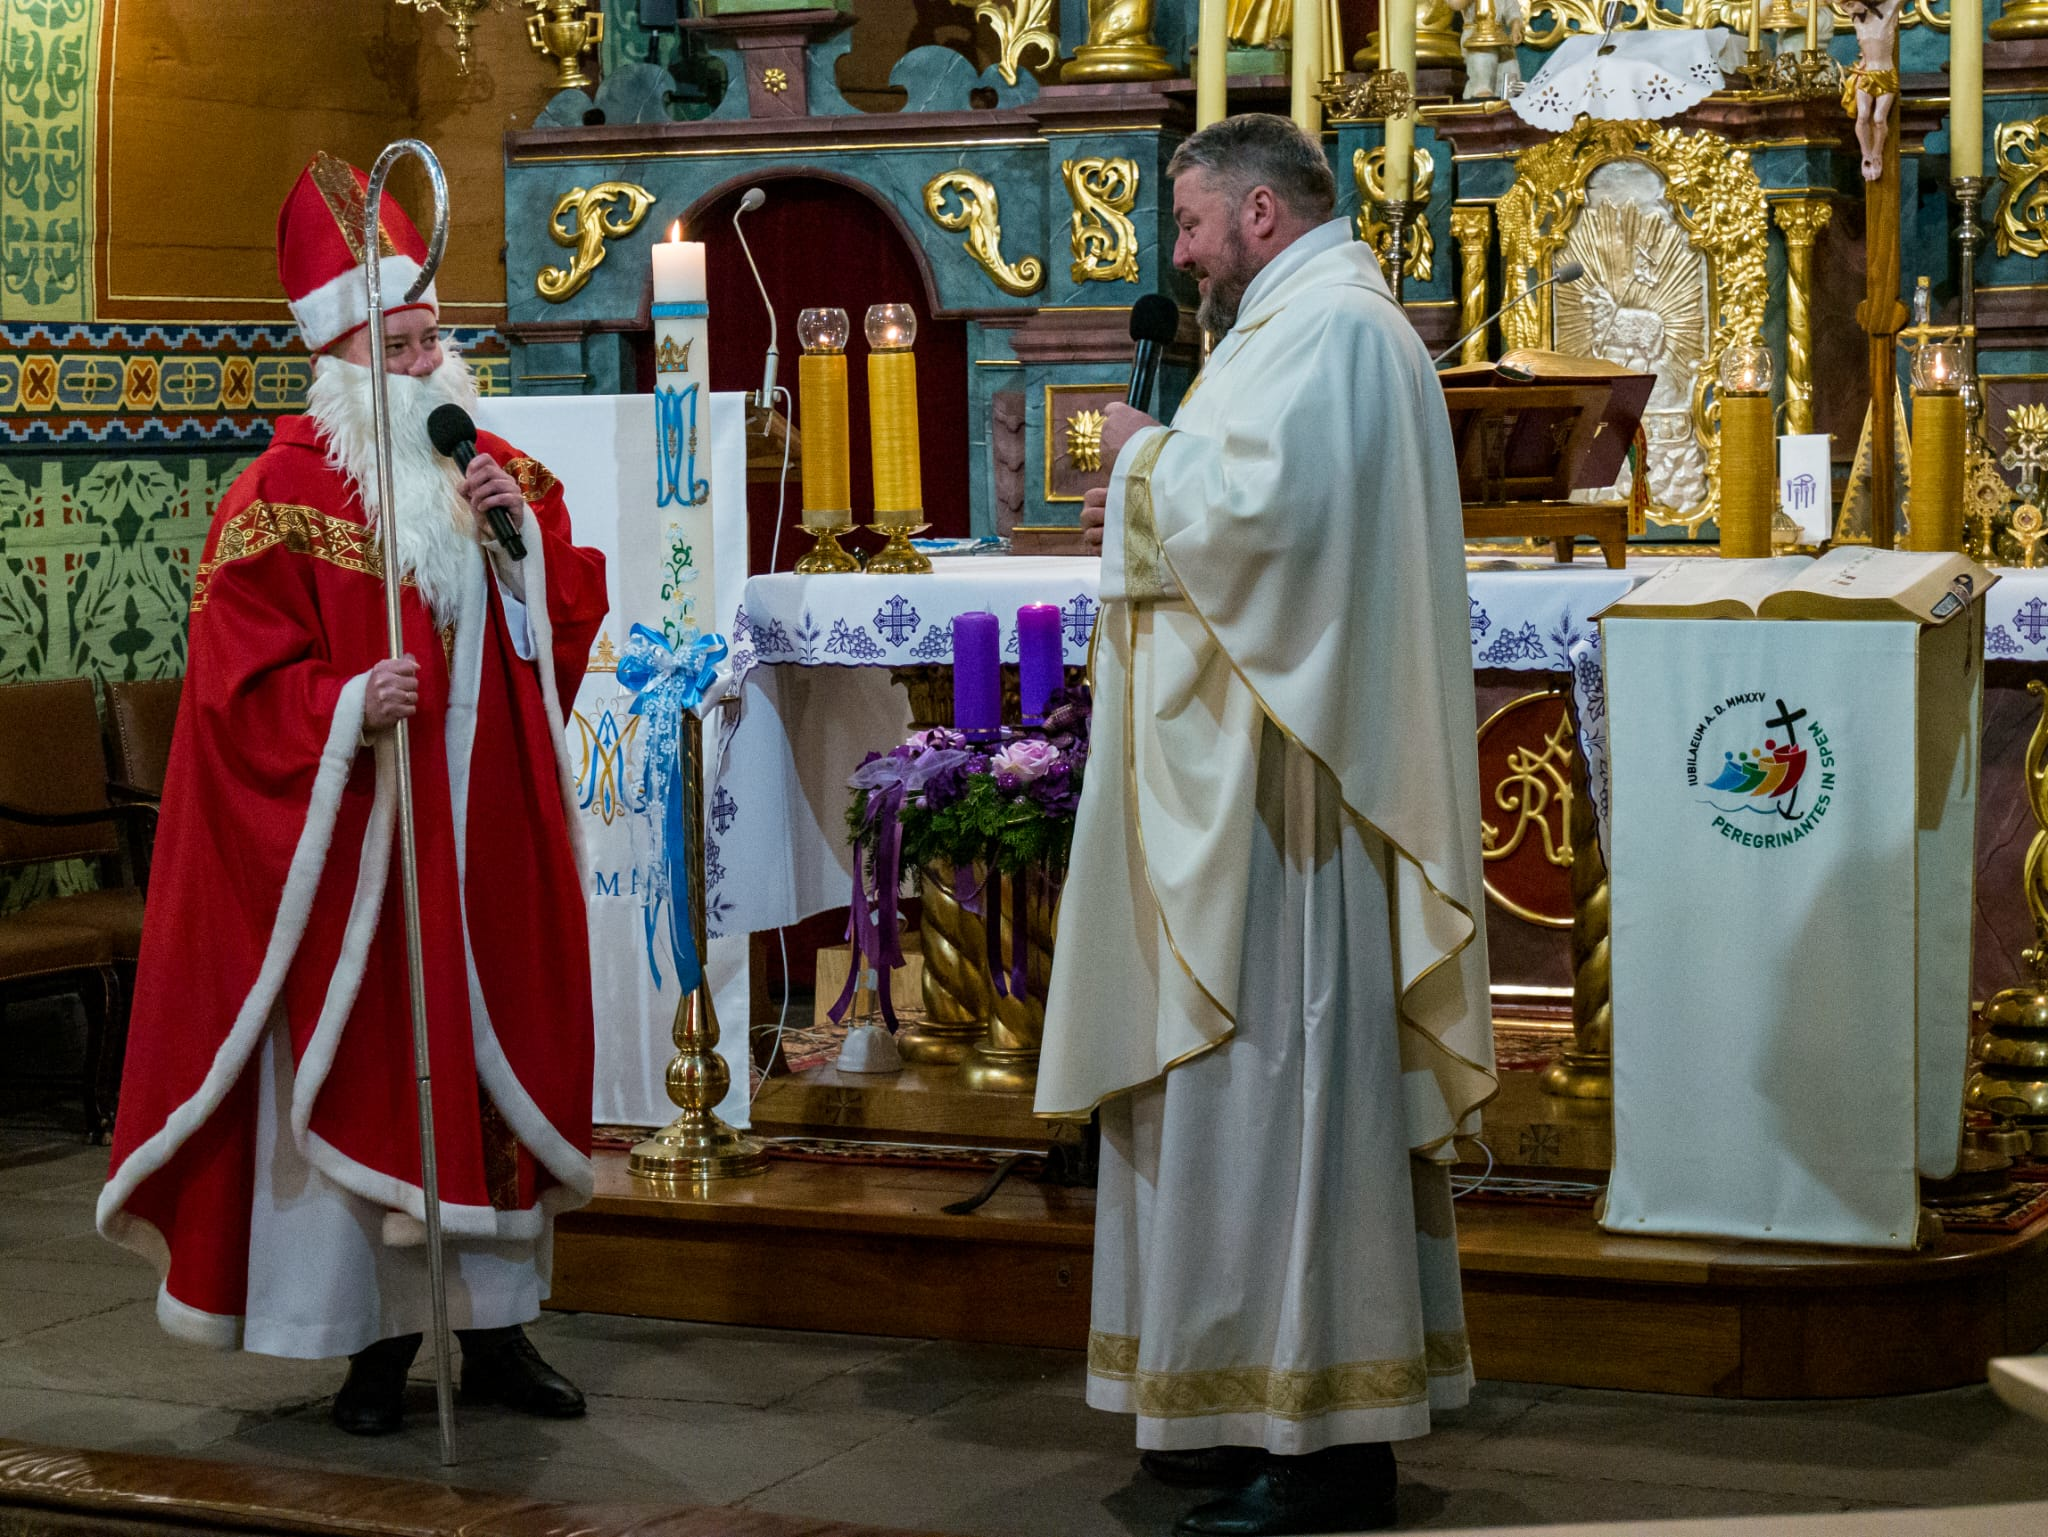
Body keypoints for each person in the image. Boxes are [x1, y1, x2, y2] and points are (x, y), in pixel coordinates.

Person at [97, 152, 610, 1437]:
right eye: (403, 346)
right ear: (337, 360)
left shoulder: (489, 467)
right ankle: (370, 1349)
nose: (431, 364)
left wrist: (519, 546)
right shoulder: (275, 499)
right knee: (376, 1073)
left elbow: (561, 615)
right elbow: (231, 691)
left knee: (484, 1076)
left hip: (480, 835)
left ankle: (496, 1334)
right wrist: (340, 702)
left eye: (436, 339)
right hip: (363, 856)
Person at [1036, 114, 1496, 1536]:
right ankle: (1231, 1406)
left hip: (1298, 812)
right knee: (1234, 1109)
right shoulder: (1291, 331)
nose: (1177, 255)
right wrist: (1157, 478)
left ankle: (1326, 1443)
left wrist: (1141, 461)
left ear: (1255, 214)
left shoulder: (1339, 333)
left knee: (1293, 1105)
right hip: (1244, 787)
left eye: (1188, 225)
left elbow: (1274, 528)